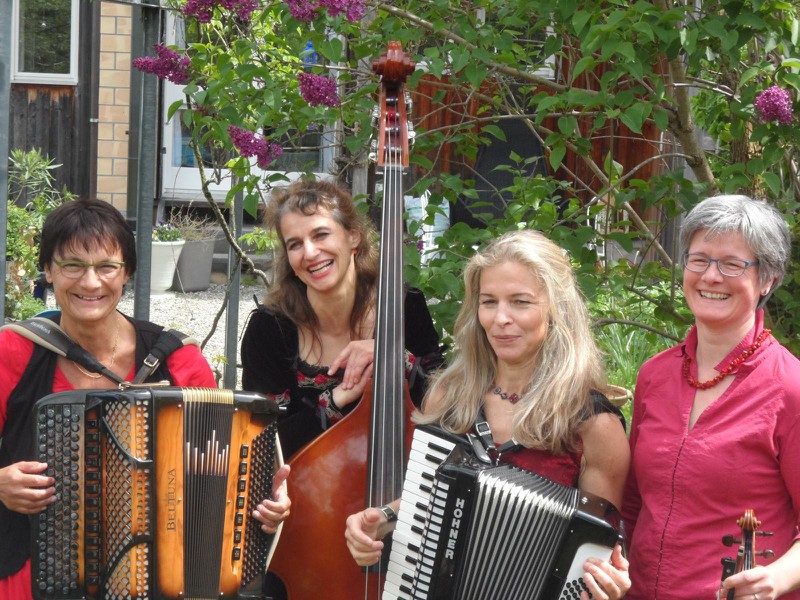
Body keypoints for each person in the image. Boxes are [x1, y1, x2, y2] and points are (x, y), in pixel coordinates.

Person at [0, 198, 289, 599]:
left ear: (127, 272)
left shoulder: (178, 361)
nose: (90, 283)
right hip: (31, 575)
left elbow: (222, 482)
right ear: (48, 270)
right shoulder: (14, 352)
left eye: (107, 267)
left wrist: (264, 505)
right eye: (72, 266)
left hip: (158, 580)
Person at [344, 230, 632, 599]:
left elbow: (595, 558)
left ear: (556, 308)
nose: (501, 318)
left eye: (520, 302)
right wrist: (383, 519)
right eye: (489, 302)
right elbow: (428, 501)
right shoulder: (448, 395)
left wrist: (605, 588)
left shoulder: (594, 424)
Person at [622, 194, 800, 600]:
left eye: (732, 264)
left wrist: (777, 578)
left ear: (768, 279)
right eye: (699, 259)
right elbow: (633, 504)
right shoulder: (654, 375)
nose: (711, 276)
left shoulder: (791, 388)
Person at [241, 178, 444, 459]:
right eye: (295, 244)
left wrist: (395, 358)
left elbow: (444, 407)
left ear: (353, 237)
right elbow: (264, 446)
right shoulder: (270, 329)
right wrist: (335, 400)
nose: (310, 252)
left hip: (400, 480)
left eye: (321, 234)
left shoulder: (404, 308)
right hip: (303, 484)